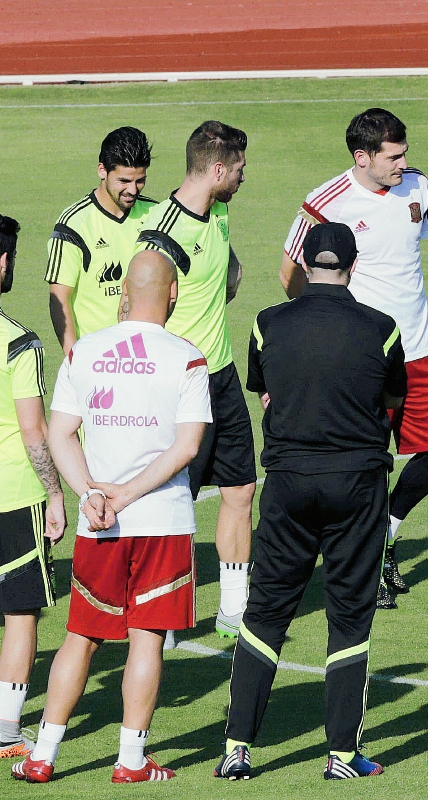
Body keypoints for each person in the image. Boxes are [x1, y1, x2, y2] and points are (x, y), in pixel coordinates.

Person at [217, 223, 405, 780]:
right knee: (349, 617)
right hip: (357, 485)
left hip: (288, 485)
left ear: (303, 261)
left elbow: (263, 386)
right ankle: (342, 757)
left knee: (266, 613)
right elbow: (393, 397)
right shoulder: (382, 329)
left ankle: (236, 751)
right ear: (352, 265)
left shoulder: (267, 324)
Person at [14, 251, 210, 783]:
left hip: (96, 525)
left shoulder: (85, 353)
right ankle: (130, 761)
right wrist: (124, 495)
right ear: (172, 294)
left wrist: (89, 494)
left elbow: (59, 434)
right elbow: (187, 447)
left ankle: (42, 755)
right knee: (147, 638)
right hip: (161, 522)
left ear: (124, 291)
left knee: (81, 635)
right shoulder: (187, 358)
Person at [279, 108, 428, 609]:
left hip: (421, 349)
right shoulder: (324, 204)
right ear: (362, 157)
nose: (404, 163)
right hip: (360, 356)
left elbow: (404, 256)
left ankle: (386, 531)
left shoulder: (418, 188)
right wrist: (319, 329)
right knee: (366, 464)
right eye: (393, 156)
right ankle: (364, 569)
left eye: (405, 152)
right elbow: (290, 274)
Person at [134, 121, 256, 637]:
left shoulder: (221, 210)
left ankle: (234, 607)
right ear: (218, 168)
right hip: (179, 385)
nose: (245, 178)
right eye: (241, 169)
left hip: (222, 377)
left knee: (241, 488)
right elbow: (137, 311)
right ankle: (156, 603)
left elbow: (227, 274)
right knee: (171, 500)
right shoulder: (162, 235)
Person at [0, 216, 66, 760]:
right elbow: (33, 430)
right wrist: (57, 493)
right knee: (20, 613)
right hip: (13, 496)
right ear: (3, 263)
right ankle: (4, 730)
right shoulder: (18, 343)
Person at [46, 127, 157, 353]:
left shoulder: (157, 215)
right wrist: (73, 359)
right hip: (98, 361)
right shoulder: (73, 225)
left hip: (150, 360)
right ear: (102, 171)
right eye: (124, 181)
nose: (132, 190)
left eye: (140, 181)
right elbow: (60, 300)